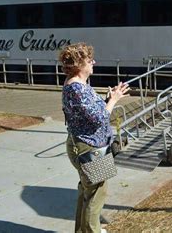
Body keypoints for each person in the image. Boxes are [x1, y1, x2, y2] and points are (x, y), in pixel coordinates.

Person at [60, 43, 129, 233]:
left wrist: (108, 98)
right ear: (79, 64)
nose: (94, 62)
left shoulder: (77, 85)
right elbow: (99, 118)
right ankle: (92, 230)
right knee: (97, 192)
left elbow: (92, 113)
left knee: (88, 190)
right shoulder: (76, 88)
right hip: (89, 148)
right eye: (90, 60)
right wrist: (113, 100)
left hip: (88, 146)